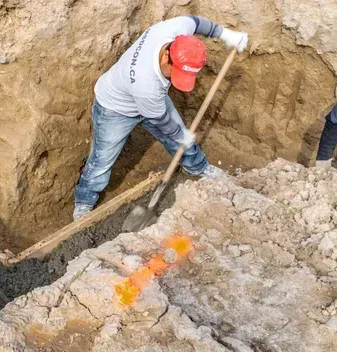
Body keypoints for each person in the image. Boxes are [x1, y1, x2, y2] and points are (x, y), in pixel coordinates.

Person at [73, 15, 248, 221]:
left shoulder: (173, 29)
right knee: (102, 158)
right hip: (115, 108)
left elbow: (196, 22)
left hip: (152, 101)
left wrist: (226, 34)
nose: (176, 79)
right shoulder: (145, 83)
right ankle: (84, 201)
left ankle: (198, 167)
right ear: (166, 56)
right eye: (175, 72)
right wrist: (180, 134)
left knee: (180, 136)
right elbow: (162, 121)